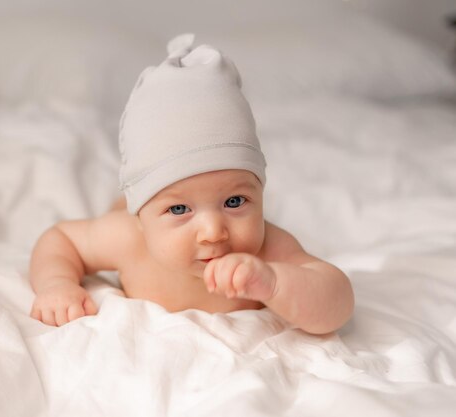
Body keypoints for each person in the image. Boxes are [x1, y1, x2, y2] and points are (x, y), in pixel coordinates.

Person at [28, 34, 354, 335]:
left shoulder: (269, 250)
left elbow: (336, 304)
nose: (213, 232)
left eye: (235, 201)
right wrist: (58, 284)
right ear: (140, 218)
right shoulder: (127, 237)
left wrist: (274, 284)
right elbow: (60, 239)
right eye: (180, 208)